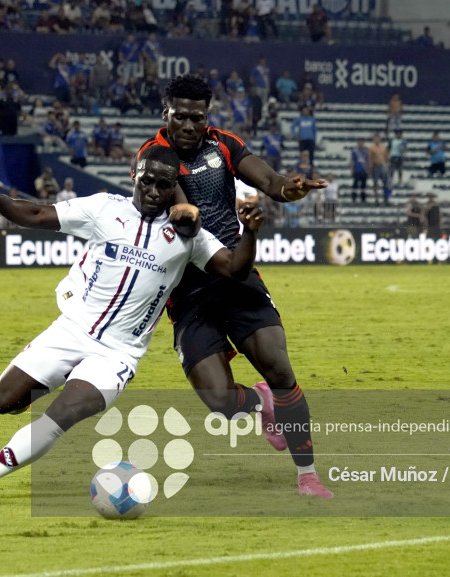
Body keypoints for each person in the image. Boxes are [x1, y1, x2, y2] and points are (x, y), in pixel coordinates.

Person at [0, 146, 264, 504]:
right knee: (1, 401)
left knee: (59, 416)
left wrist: (250, 233)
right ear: (134, 177)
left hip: (118, 353)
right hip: (71, 330)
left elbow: (235, 268)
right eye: (146, 181)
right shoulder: (104, 208)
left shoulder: (186, 236)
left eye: (163, 185)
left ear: (173, 187)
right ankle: (63, 378)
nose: (152, 191)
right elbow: (38, 213)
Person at [135, 74, 332, 498]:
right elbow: (183, 210)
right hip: (188, 290)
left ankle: (308, 475)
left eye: (198, 117)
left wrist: (288, 188)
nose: (189, 125)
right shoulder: (154, 156)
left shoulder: (223, 143)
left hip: (238, 273)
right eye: (181, 116)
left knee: (280, 369)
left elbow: (269, 181)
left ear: (208, 116)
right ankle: (259, 403)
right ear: (165, 114)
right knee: (221, 403)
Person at [368, 133, 391, 205]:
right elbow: (370, 158)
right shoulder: (371, 148)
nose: (377, 140)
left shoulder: (383, 147)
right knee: (375, 183)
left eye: (378, 138)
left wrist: (387, 163)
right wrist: (370, 168)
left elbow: (386, 156)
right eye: (375, 138)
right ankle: (376, 198)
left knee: (386, 183)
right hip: (375, 166)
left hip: (383, 165)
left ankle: (386, 198)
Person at [349, 137, 368, 203]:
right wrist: (352, 169)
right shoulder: (354, 151)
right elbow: (352, 160)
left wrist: (368, 170)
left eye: (362, 142)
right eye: (359, 142)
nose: (360, 143)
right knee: (355, 185)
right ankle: (354, 198)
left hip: (364, 171)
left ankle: (363, 198)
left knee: (363, 185)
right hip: (357, 170)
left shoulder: (366, 151)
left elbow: (367, 161)